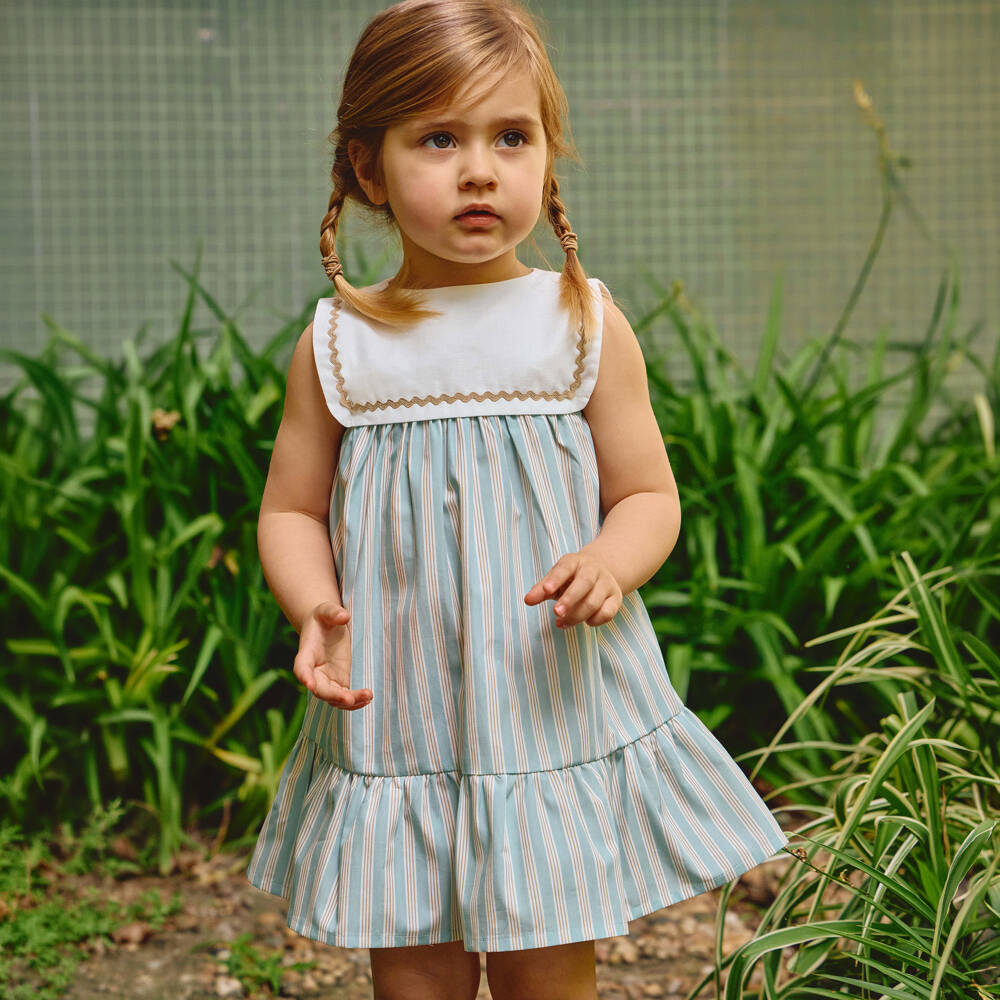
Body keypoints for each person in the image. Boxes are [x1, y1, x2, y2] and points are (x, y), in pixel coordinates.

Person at [245, 1, 789, 998]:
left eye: (510, 136)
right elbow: (288, 509)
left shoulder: (578, 323)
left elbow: (647, 496)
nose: (480, 170)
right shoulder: (341, 345)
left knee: (549, 963)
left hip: (544, 703)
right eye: (438, 139)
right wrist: (313, 606)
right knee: (413, 961)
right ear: (369, 168)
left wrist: (610, 561)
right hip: (397, 707)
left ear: (546, 154)